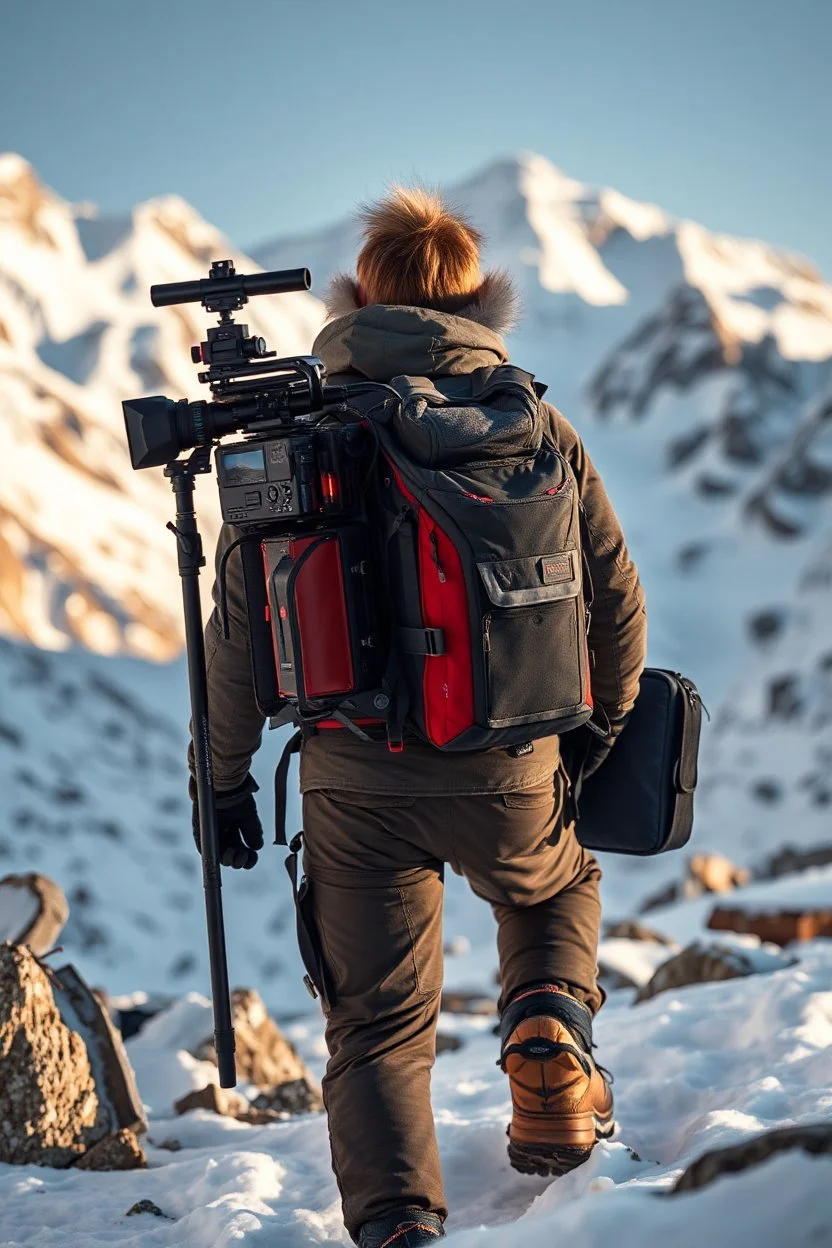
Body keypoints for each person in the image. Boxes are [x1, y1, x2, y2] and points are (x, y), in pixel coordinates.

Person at [190, 187, 647, 1247]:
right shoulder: (530, 421)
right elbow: (613, 599)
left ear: (355, 303)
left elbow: (236, 636)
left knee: (379, 1030)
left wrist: (219, 779)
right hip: (512, 762)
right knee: (556, 881)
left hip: (354, 779)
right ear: (478, 305)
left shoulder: (293, 433)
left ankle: (398, 1223)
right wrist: (594, 734)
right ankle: (548, 1044)